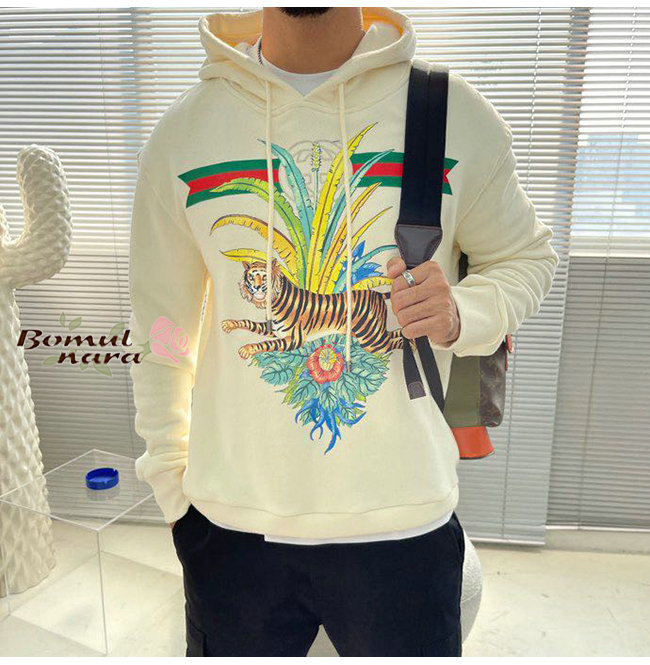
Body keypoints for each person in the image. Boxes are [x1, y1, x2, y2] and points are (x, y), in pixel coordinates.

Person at [128, 7, 559, 657]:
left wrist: (460, 314)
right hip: (228, 531)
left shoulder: (452, 114)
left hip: (405, 527)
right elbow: (161, 329)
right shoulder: (184, 133)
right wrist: (173, 493)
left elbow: (526, 258)